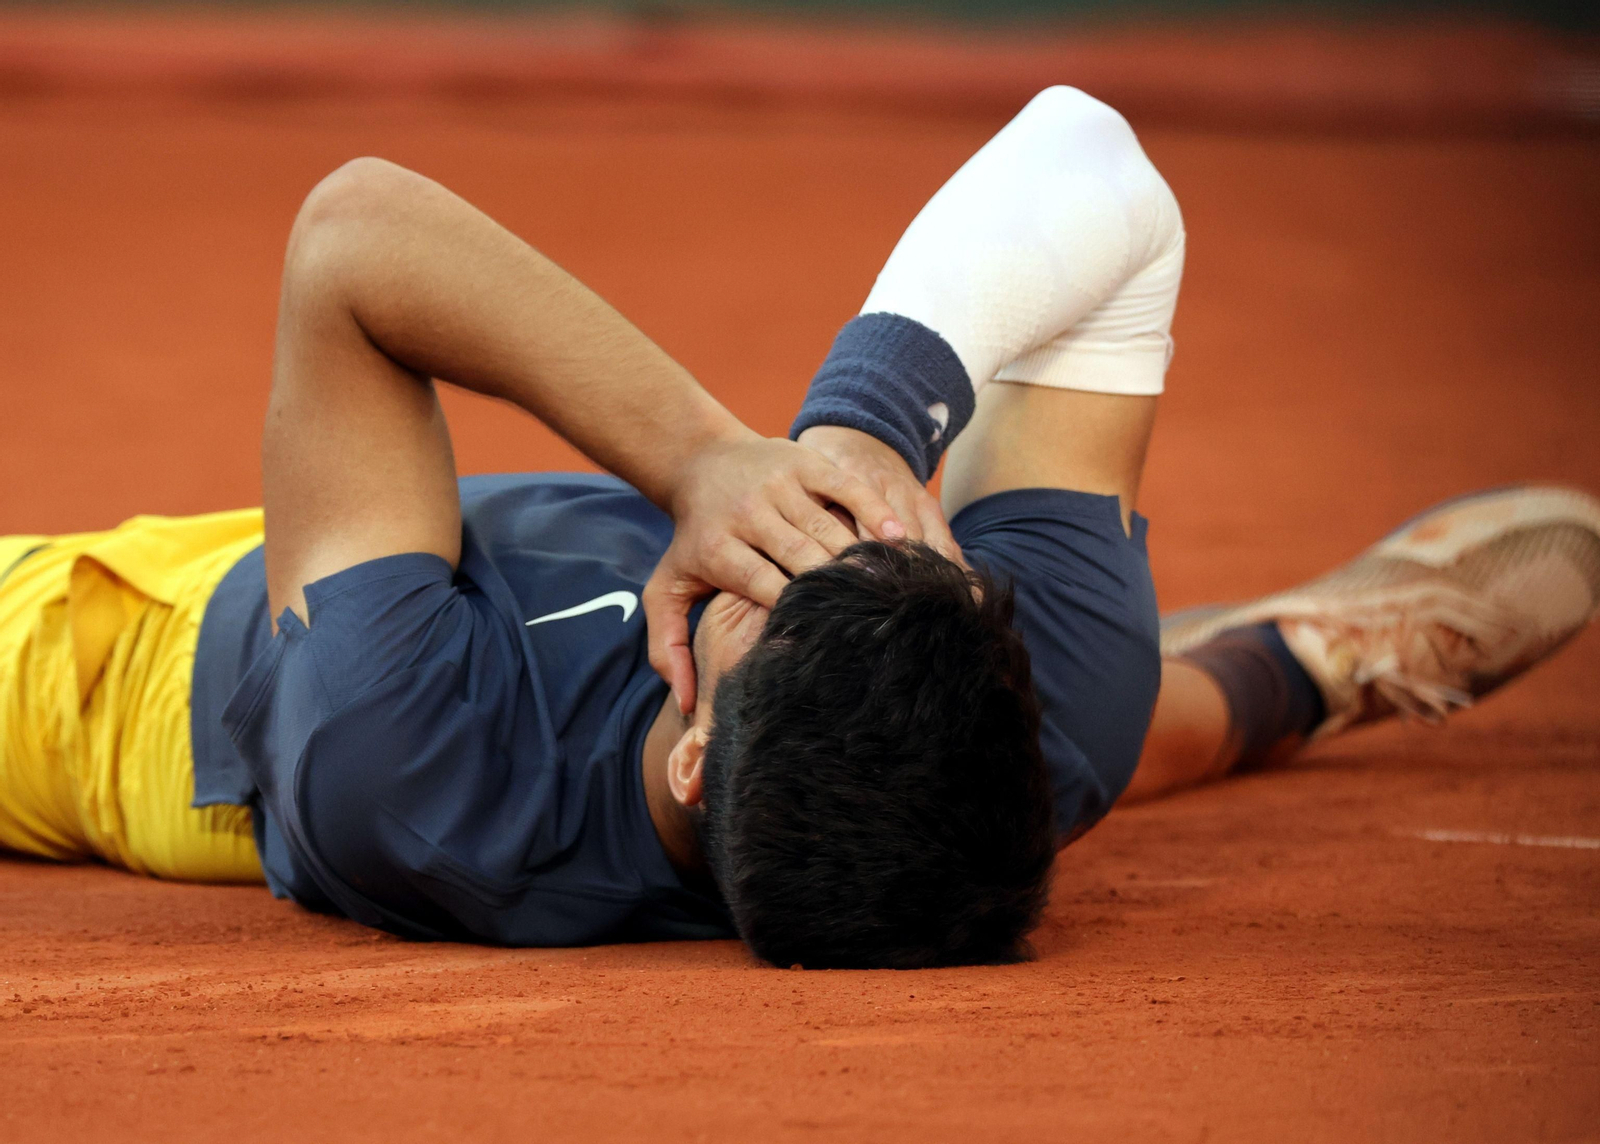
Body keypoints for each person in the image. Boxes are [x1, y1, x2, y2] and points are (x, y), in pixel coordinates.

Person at [1, 89, 1595, 969]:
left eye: (791, 568)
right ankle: (1288, 672)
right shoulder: (1041, 719)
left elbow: (353, 238)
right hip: (937, 735)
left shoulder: (408, 760)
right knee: (1115, 724)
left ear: (695, 747)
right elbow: (1091, 155)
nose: (831, 523)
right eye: (893, 537)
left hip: (167, 672)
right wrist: (866, 428)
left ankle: (1248, 676)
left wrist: (709, 458)